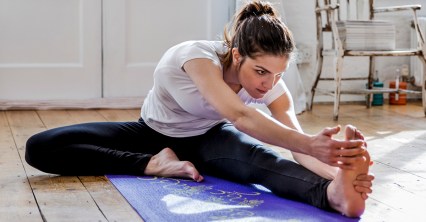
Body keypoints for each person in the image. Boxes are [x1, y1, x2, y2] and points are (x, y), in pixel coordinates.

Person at [25, 0, 374, 218]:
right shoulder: (196, 57)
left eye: (278, 74)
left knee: (265, 165)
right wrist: (311, 143)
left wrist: (337, 174)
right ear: (237, 55)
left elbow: (295, 143)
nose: (268, 84)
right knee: (40, 147)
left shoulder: (271, 84)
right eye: (261, 72)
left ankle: (333, 198)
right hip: (150, 134)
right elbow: (239, 114)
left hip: (209, 139)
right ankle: (153, 164)